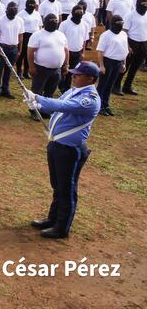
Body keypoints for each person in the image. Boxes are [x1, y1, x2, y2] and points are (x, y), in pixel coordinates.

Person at [24, 61, 101, 239]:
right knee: (57, 185)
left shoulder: (89, 99)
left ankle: (62, 227)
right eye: (73, 74)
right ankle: (53, 219)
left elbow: (63, 107)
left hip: (70, 150)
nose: (73, 76)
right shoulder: (72, 91)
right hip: (57, 145)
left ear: (90, 79)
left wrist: (37, 97)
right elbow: (58, 106)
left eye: (78, 75)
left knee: (67, 188)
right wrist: (38, 106)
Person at [27, 14, 68, 120]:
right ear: (45, 22)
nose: (53, 23)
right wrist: (31, 67)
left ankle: (45, 110)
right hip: (41, 68)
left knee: (50, 91)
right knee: (37, 91)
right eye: (51, 21)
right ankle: (34, 111)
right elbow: (31, 51)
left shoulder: (61, 35)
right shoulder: (37, 35)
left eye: (55, 21)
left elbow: (66, 50)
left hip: (56, 69)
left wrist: (66, 64)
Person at [95, 15, 129, 116]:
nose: (120, 26)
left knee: (110, 85)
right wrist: (101, 65)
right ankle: (99, 105)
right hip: (108, 62)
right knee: (103, 84)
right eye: (118, 24)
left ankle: (106, 104)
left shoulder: (123, 34)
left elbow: (124, 49)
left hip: (118, 62)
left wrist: (124, 63)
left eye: (121, 24)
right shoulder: (106, 35)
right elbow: (100, 51)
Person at [0, 2, 23, 99]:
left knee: (9, 70)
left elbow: (20, 36)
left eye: (15, 10)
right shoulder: (0, 20)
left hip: (14, 48)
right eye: (11, 10)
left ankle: (5, 90)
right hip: (2, 48)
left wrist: (19, 50)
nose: (13, 12)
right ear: (7, 10)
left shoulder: (20, 20)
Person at [121, 0, 147, 95]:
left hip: (143, 43)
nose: (145, 6)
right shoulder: (130, 15)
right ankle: (116, 85)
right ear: (137, 4)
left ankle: (127, 86)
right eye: (143, 4)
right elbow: (125, 31)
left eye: (146, 4)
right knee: (126, 66)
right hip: (132, 42)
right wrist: (127, 45)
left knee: (135, 67)